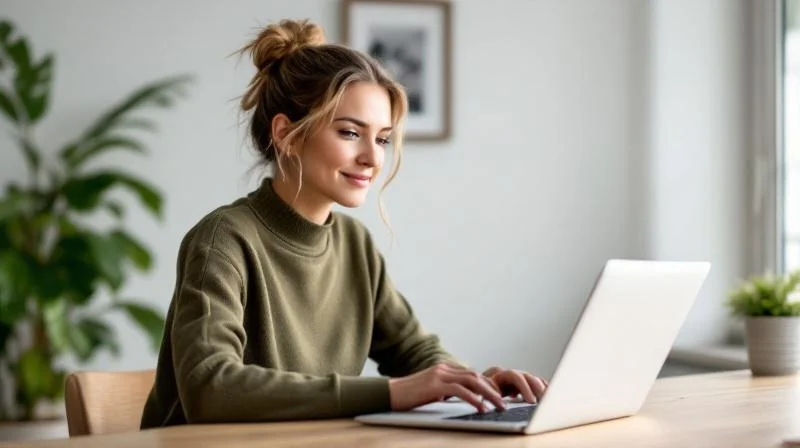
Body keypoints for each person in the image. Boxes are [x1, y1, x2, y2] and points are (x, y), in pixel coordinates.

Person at [140, 19, 547, 428]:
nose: (373, 158)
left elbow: (414, 351)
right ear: (287, 135)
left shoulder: (355, 244)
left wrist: (476, 384)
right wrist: (392, 393)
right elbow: (211, 389)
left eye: (383, 138)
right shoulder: (223, 240)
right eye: (351, 133)